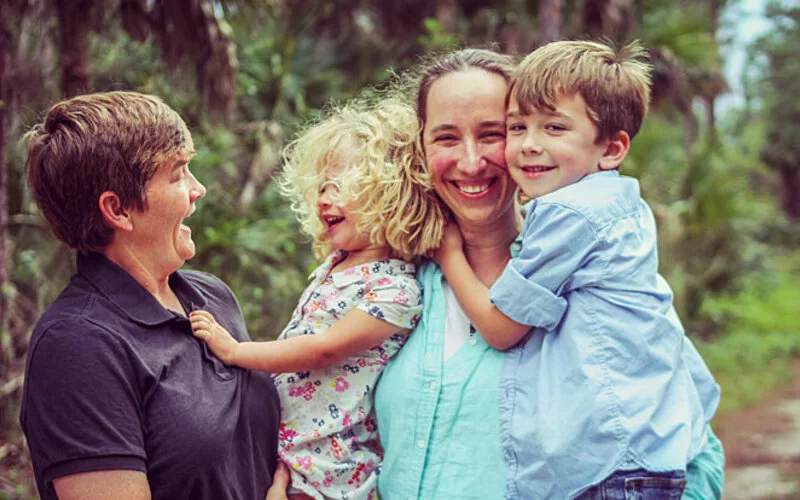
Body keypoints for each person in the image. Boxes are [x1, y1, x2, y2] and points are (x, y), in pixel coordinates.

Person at [373, 48, 725, 499]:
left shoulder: (600, 281)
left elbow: (692, 455)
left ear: (606, 146)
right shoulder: (387, 285)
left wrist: (449, 254)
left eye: (493, 133)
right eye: (445, 137)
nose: (471, 161)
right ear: (420, 148)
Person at [19, 91, 288, 500]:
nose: (199, 189)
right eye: (178, 174)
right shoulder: (77, 346)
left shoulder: (212, 296)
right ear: (118, 210)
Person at [190, 97, 445, 500]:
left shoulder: (396, 288)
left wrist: (237, 351)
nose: (326, 198)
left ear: (392, 196)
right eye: (323, 186)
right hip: (293, 448)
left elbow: (324, 349)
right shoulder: (336, 265)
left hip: (330, 463)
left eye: (342, 187)